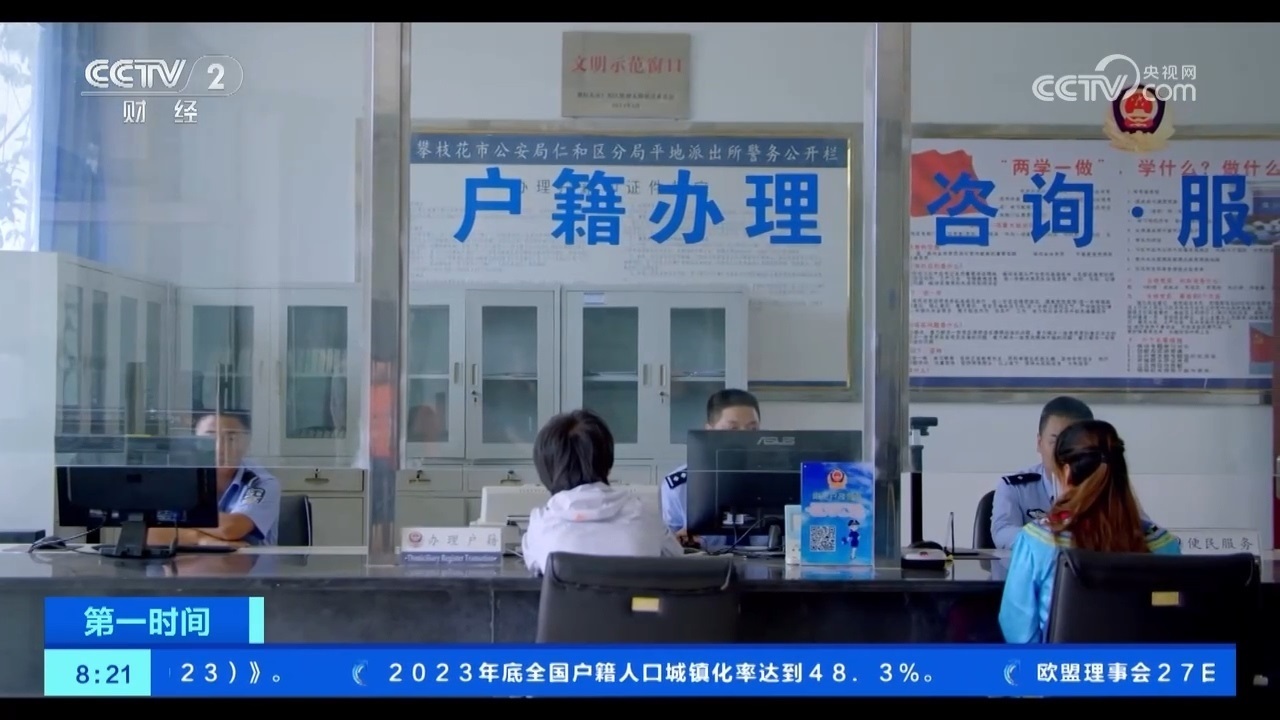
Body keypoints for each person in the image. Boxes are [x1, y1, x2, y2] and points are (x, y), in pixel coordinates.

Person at [998, 419, 1180, 643]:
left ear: (1066, 473)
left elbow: (1018, 632)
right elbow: (1172, 626)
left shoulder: (1037, 541)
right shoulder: (1164, 544)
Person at [522, 409, 682, 574]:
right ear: (608, 461)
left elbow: (534, 565)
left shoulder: (541, 525)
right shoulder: (645, 516)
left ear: (545, 470)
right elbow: (676, 558)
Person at [147, 410, 282, 547]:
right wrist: (200, 539)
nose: (219, 448)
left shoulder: (261, 482)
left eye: (231, 438)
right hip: (188, 559)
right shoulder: (175, 476)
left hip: (248, 559)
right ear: (193, 442)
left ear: (247, 443)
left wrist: (173, 516)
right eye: (209, 439)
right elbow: (145, 533)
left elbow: (231, 528)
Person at [990, 396, 1095, 549]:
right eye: (1055, 441)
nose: (1063, 452)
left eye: (1074, 443)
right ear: (1039, 443)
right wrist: (1051, 537)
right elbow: (1002, 534)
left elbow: (1130, 532)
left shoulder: (1102, 484)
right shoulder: (1016, 487)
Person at [660, 388, 761, 541]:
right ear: (709, 432)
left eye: (752, 429)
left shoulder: (778, 478)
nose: (744, 438)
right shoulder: (679, 486)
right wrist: (680, 542)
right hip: (705, 557)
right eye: (732, 429)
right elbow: (666, 546)